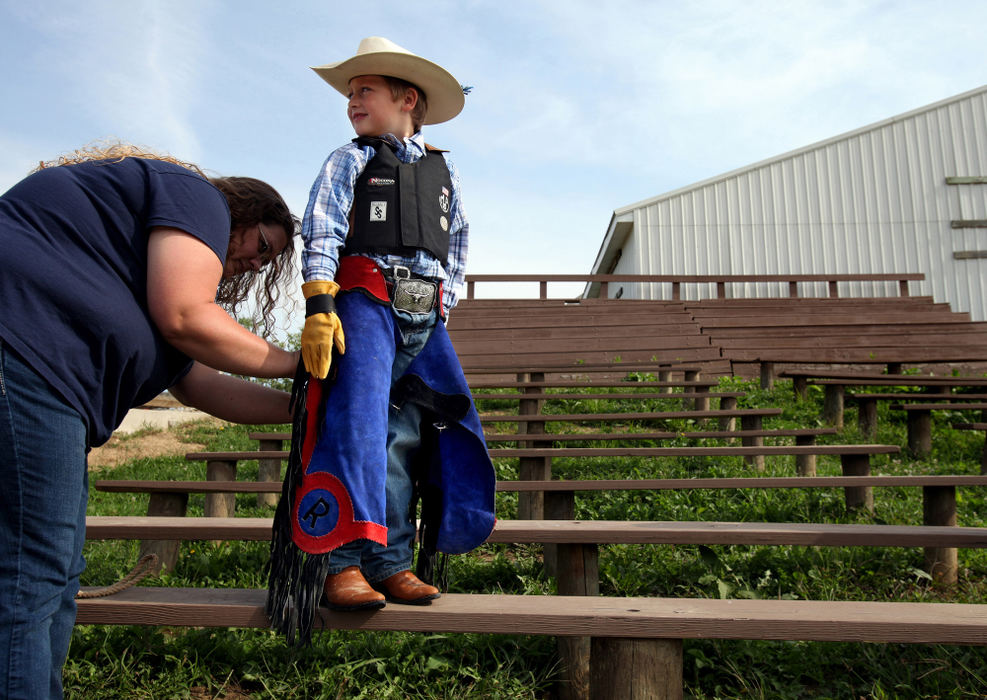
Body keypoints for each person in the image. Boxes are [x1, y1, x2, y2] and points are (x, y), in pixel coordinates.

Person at [0, 143, 301, 699]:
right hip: (23, 351)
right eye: (262, 246)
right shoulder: (198, 197)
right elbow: (188, 316)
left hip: (43, 381)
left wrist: (305, 405)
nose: (257, 264)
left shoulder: (143, 279)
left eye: (267, 262)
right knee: (30, 578)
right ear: (240, 212)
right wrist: (300, 364)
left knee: (56, 577)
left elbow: (200, 385)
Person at [266, 37, 495, 643]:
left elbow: (460, 239)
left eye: (362, 90)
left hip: (425, 313)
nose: (351, 103)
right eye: (349, 93)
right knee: (357, 423)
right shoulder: (349, 158)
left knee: (409, 433)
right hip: (364, 301)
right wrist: (319, 302)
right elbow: (322, 221)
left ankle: (389, 561)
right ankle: (340, 562)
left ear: (406, 98)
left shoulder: (446, 171)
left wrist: (445, 301)